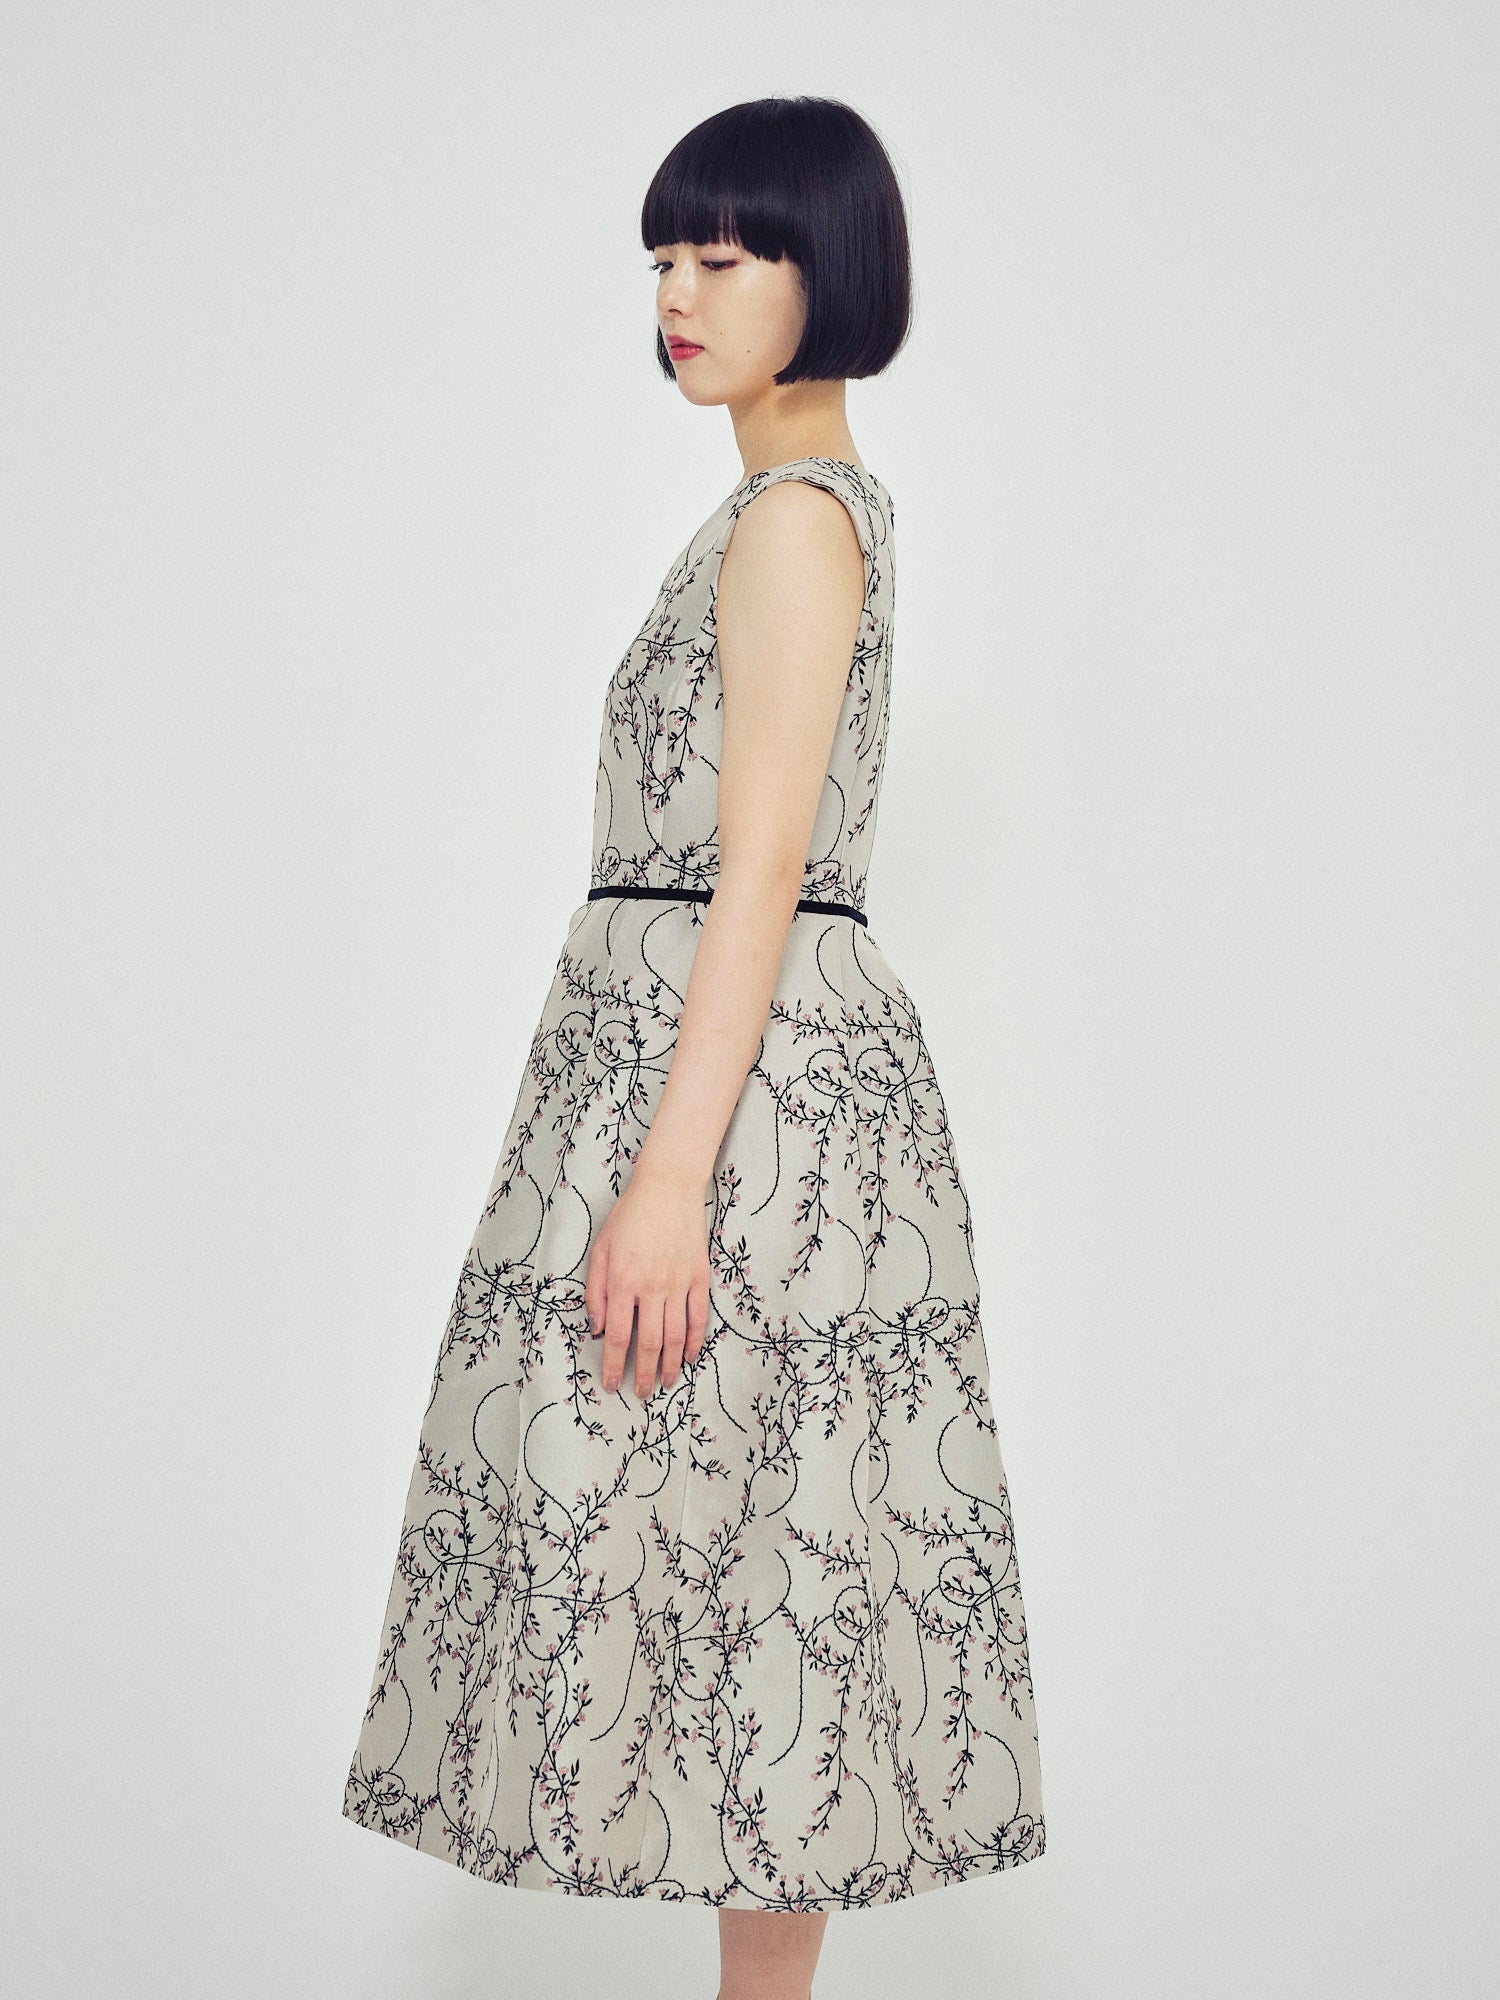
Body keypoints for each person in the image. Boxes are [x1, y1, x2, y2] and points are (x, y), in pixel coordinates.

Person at [343, 94, 1045, 1999]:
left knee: (761, 1571)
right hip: (723, 1080)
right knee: (755, 1564)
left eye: (722, 258)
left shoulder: (796, 528)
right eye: (664, 258)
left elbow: (763, 869)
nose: (677, 294)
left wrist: (664, 1181)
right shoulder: (782, 514)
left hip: (741, 1112)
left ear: (831, 272)